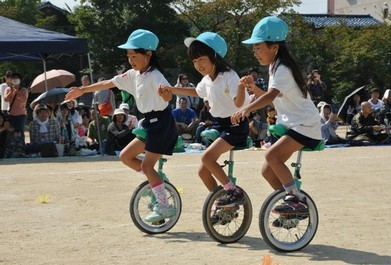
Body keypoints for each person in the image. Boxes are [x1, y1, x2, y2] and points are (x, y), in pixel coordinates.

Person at [65, 29, 178, 222]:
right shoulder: (134, 74)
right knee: (126, 156)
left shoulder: (156, 76)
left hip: (162, 123)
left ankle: (165, 206)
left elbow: (168, 97)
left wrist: (166, 95)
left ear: (148, 54)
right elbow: (109, 83)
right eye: (128, 56)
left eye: (134, 56)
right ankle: (158, 183)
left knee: (148, 165)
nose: (131, 60)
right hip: (149, 123)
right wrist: (81, 90)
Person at [231, 16, 322, 221]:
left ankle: (295, 199)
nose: (255, 53)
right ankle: (291, 203)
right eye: (253, 49)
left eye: (258, 48)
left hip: (304, 125)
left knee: (272, 157)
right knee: (268, 171)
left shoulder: (282, 68)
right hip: (293, 125)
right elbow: (274, 97)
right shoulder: (275, 67)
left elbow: (271, 97)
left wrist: (246, 109)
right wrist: (253, 89)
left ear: (274, 47)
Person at [159, 31, 250, 208]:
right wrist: (172, 89)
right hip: (219, 124)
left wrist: (240, 87)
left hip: (235, 125)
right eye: (194, 61)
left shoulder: (230, 76)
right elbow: (197, 92)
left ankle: (234, 192)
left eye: (201, 59)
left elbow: (239, 103)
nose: (197, 65)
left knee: (207, 158)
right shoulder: (207, 79)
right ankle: (223, 205)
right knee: (203, 172)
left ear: (214, 57)